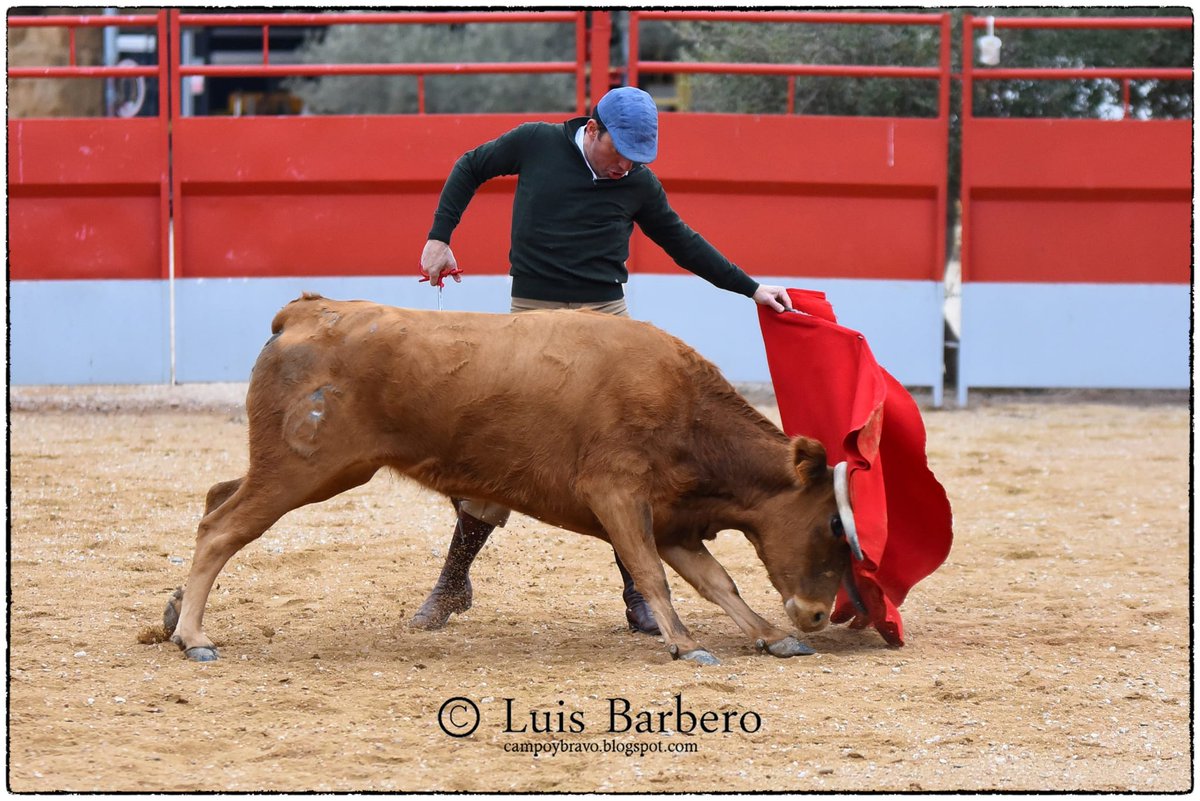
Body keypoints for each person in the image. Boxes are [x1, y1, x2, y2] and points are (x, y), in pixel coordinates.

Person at [412, 85, 794, 637]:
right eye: (621, 154)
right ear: (592, 130)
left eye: (638, 159)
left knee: (629, 461)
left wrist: (752, 289)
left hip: (606, 325)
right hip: (534, 324)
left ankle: (639, 595)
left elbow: (682, 242)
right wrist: (438, 237)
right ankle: (452, 582)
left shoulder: (638, 182)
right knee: (504, 452)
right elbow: (470, 165)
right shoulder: (537, 143)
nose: (627, 168)